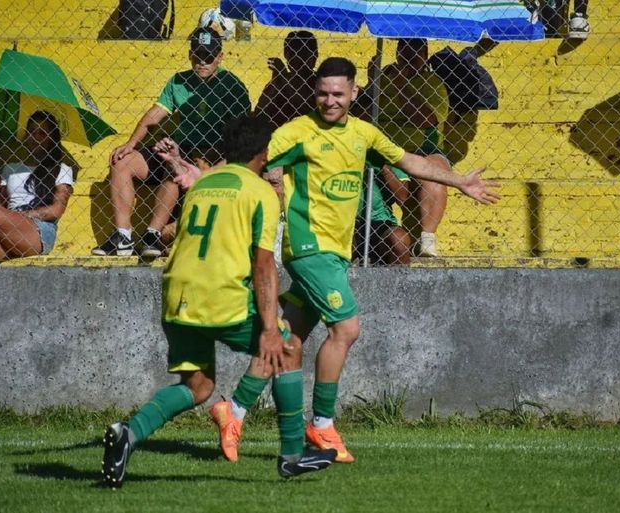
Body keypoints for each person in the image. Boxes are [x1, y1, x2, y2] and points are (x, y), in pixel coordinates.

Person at [172, 57, 500, 463]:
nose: (330, 101)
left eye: (338, 94)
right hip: (309, 249)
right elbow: (247, 161)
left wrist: (459, 180)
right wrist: (201, 178)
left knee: (288, 341)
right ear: (315, 92)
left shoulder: (364, 134)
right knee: (347, 328)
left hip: (334, 254)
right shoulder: (297, 132)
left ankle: (233, 410)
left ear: (354, 93)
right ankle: (322, 425)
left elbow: (409, 162)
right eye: (323, 93)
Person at [101, 116, 336, 489]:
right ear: (266, 152)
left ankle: (128, 434)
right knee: (287, 347)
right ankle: (293, 455)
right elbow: (263, 266)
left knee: (198, 388)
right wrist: (272, 328)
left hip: (177, 294)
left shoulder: (204, 183)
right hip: (219, 294)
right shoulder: (260, 192)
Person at [92, 26, 251, 258]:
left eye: (209, 57)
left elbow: (243, 132)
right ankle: (123, 236)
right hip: (180, 147)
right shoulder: (178, 81)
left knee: (173, 168)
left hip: (210, 153)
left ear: (220, 57)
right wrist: (131, 144)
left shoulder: (232, 86)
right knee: (122, 161)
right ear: (189, 54)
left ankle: (152, 234)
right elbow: (154, 116)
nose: (202, 62)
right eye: (198, 55)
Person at [368, 38, 452, 257]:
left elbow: (426, 119)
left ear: (424, 54)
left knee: (436, 171)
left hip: (421, 149)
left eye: (415, 52)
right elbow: (363, 113)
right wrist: (372, 83)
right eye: (403, 50)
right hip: (384, 148)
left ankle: (427, 241)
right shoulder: (383, 80)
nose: (407, 56)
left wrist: (401, 86)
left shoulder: (432, 83)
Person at [0, 111, 73, 266]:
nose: (35, 137)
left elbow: (57, 209)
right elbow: (0, 207)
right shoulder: (11, 169)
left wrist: (23, 215)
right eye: (31, 132)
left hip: (38, 231)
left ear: (51, 138)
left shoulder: (62, 169)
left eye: (42, 133)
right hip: (8, 231)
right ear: (26, 136)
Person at [255, 30, 318, 129]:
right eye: (294, 53)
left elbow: (305, 106)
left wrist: (283, 77)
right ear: (286, 55)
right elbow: (259, 113)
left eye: (304, 53)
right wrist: (277, 80)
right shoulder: (278, 80)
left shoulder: (321, 82)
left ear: (315, 55)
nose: (299, 59)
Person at [353, 164, 412, 266]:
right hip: (348, 222)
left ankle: (398, 280)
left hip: (381, 222)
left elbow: (402, 198)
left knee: (399, 239)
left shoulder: (388, 159)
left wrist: (383, 167)